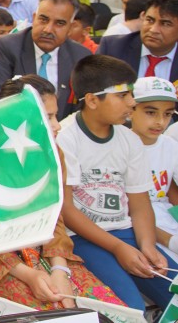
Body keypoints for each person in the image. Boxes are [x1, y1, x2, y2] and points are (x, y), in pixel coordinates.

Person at [0, 75, 124, 310]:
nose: (57, 125)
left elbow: (54, 216)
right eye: (48, 117)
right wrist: (29, 276)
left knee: (102, 311)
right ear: (17, 120)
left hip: (49, 253)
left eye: (55, 115)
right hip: (1, 259)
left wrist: (60, 269)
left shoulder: (54, 153)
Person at [59, 55, 177, 311]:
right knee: (132, 308)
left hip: (128, 233)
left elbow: (139, 203)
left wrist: (147, 246)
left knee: (174, 292)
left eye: (131, 94)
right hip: (82, 239)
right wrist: (118, 247)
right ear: (92, 100)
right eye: (122, 95)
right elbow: (67, 211)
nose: (132, 102)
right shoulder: (66, 138)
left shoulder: (129, 139)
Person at [0, 0, 91, 120]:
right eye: (43, 19)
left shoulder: (81, 57)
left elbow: (82, 109)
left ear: (70, 27)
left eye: (59, 23)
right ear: (34, 18)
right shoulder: (7, 47)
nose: (48, 29)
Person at [130, 77, 178, 261]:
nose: (160, 121)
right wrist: (169, 240)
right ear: (131, 110)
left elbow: (171, 193)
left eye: (167, 114)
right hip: (138, 229)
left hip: (167, 219)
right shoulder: (120, 144)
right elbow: (128, 211)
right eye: (151, 112)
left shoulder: (170, 146)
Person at [98, 0, 178, 81]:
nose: (153, 30)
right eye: (150, 20)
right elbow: (94, 90)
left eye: (165, 24)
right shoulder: (112, 48)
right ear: (143, 16)